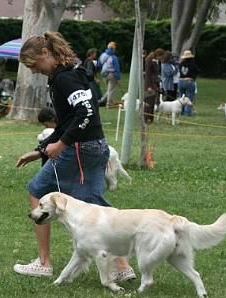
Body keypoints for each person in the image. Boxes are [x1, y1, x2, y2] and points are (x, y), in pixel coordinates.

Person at [13, 31, 135, 282]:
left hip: (79, 149)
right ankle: (122, 266)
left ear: (46, 53)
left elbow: (86, 113)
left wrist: (63, 144)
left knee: (37, 190)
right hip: (95, 146)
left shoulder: (64, 79)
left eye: (34, 65)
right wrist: (39, 151)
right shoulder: (73, 73)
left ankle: (44, 262)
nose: (34, 71)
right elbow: (66, 122)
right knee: (96, 204)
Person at [144, 48, 164, 124]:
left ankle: (151, 118)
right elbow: (148, 74)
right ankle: (146, 118)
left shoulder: (156, 61)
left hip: (155, 83)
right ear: (158, 55)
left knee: (152, 102)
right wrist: (148, 86)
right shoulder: (150, 61)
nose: (161, 59)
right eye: (161, 57)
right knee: (148, 102)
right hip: (149, 84)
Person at [97, 41, 121, 108]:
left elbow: (99, 64)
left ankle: (102, 100)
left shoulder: (102, 55)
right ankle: (109, 104)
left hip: (104, 75)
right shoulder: (114, 57)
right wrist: (118, 78)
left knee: (109, 89)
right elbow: (116, 69)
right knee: (111, 90)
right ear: (113, 49)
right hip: (112, 74)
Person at [178, 50, 198, 116]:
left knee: (181, 97)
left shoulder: (181, 64)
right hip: (189, 81)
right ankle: (187, 112)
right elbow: (196, 72)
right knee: (189, 97)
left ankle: (181, 111)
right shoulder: (193, 64)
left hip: (181, 81)